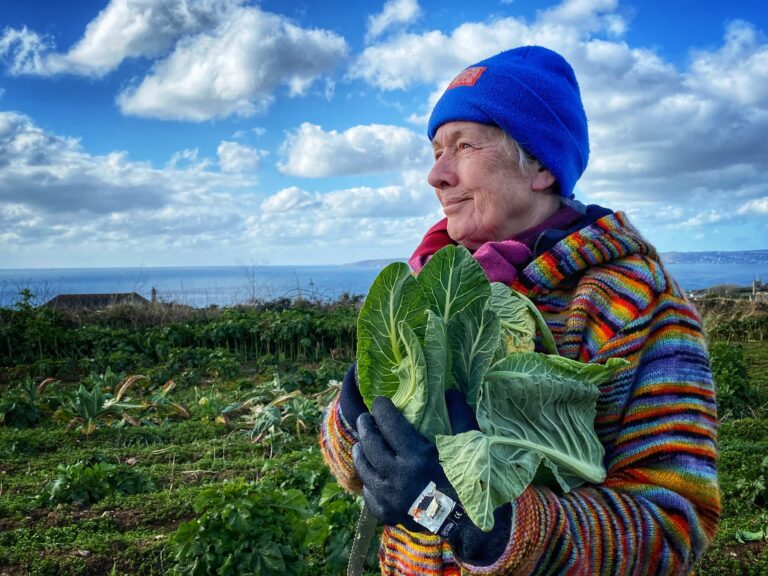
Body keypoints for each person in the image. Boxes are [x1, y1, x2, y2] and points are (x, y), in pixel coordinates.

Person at [320, 45, 719, 575]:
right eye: (435, 151)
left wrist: (473, 522)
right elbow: (351, 468)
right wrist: (353, 418)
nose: (436, 175)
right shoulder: (428, 288)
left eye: (462, 146)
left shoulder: (632, 301)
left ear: (540, 167)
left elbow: (674, 526)